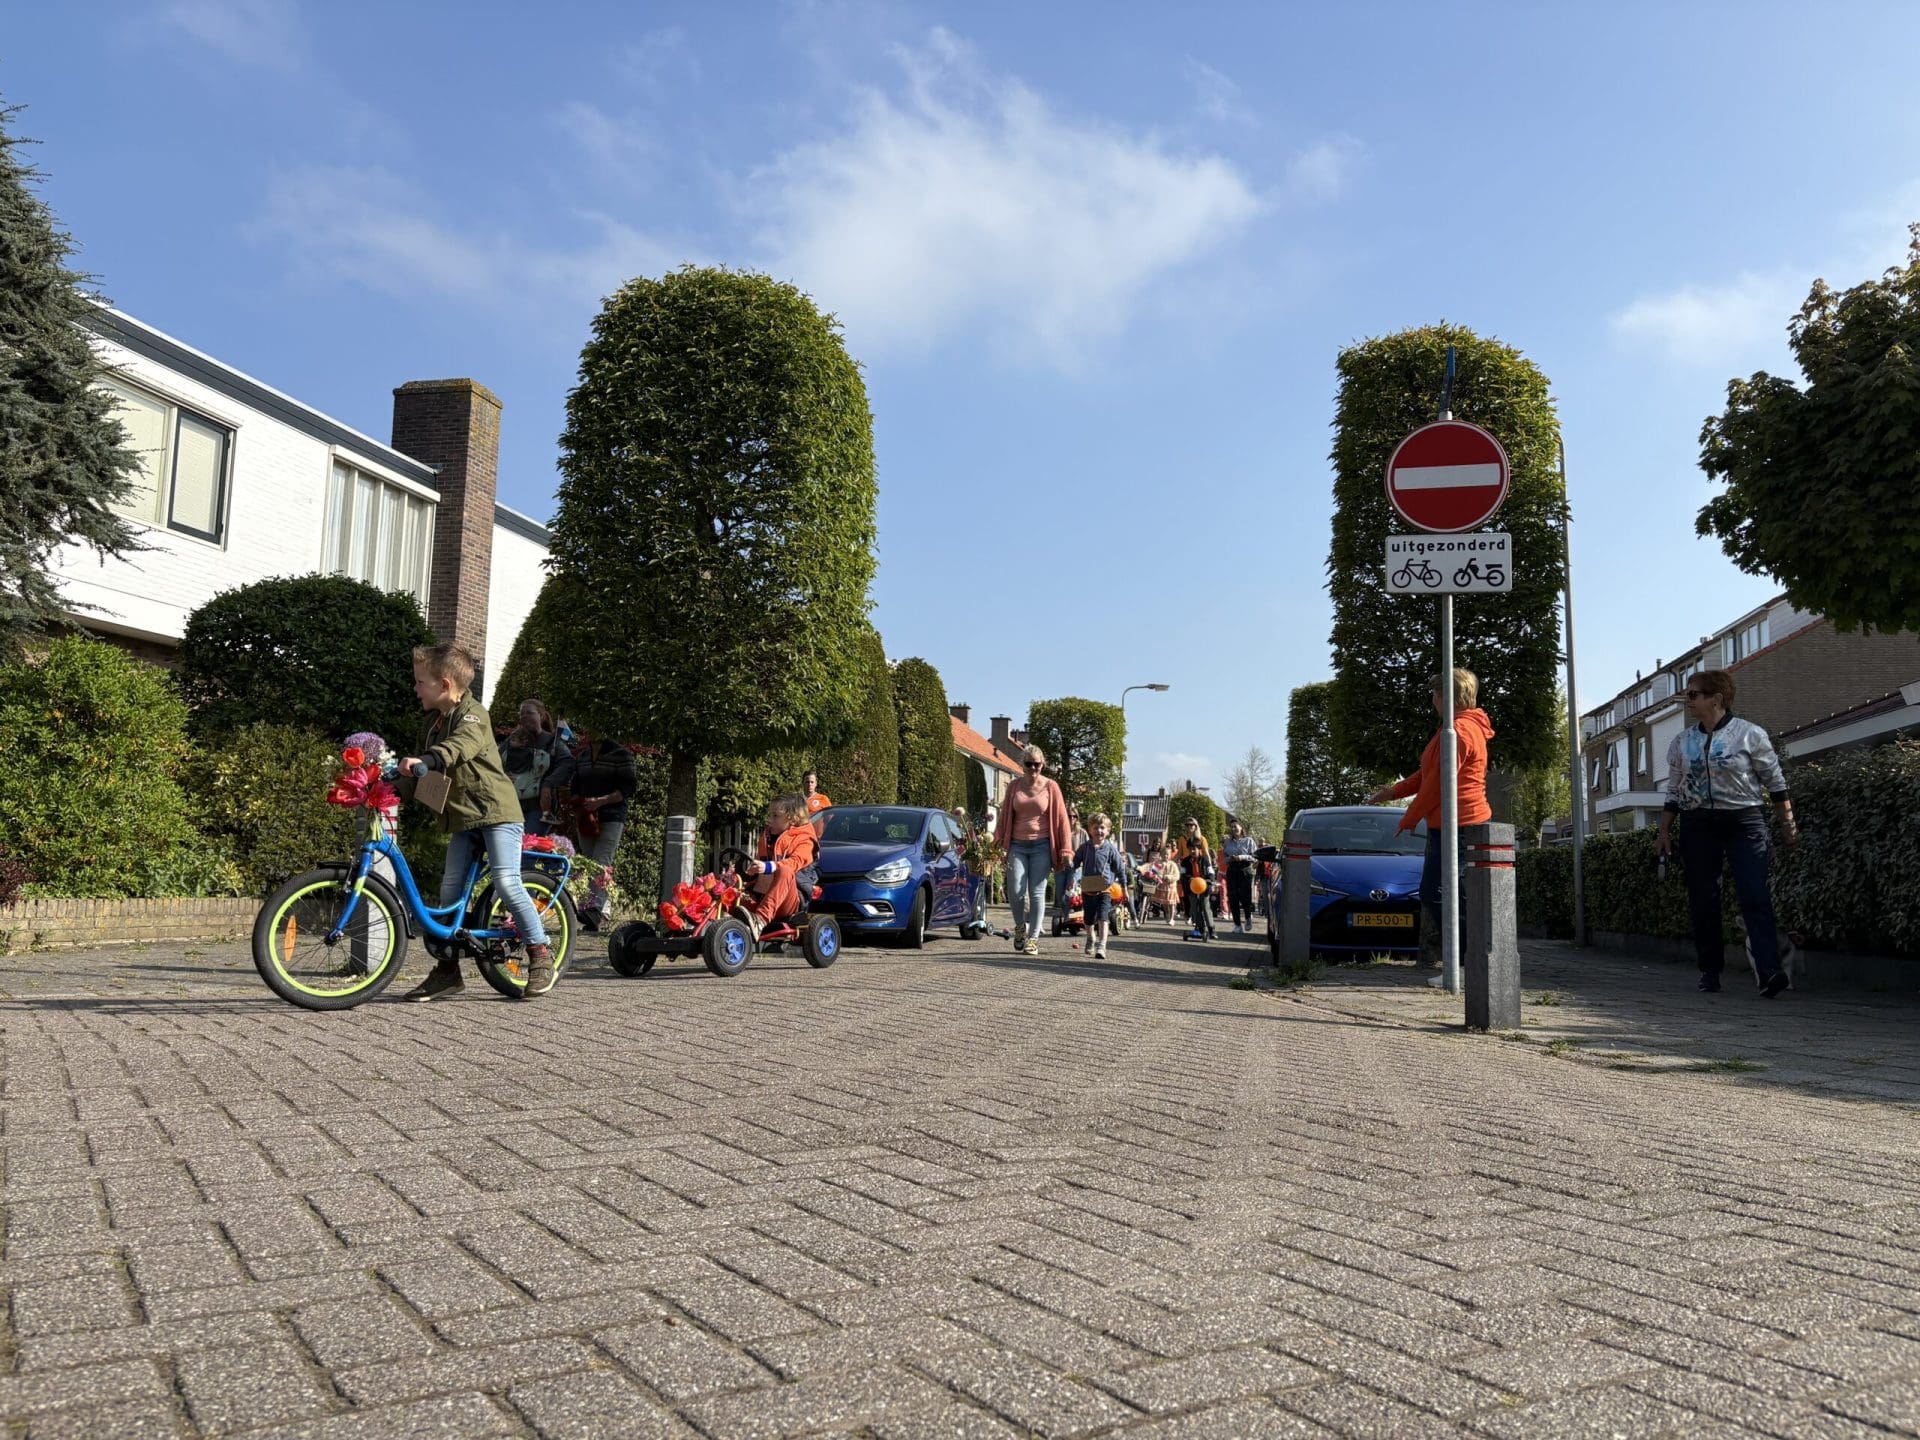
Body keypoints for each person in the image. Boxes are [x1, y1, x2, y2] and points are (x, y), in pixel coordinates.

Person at [398, 644, 556, 1000]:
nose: (415, 688)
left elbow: (460, 746)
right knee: (449, 893)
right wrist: (386, 788)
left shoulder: (473, 715)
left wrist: (430, 759)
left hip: (496, 813)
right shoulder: (432, 724)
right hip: (463, 819)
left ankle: (540, 951)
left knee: (506, 882)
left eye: (420, 682)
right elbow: (418, 774)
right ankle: (448, 971)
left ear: (444, 684)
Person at [1655, 670, 1796, 996]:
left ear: (1716, 699)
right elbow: (1673, 791)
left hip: (1744, 820)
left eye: (1693, 695)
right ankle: (1709, 971)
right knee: (1704, 900)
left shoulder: (1750, 735)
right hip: (1697, 823)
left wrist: (1788, 824)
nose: (1688, 701)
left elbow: (1776, 784)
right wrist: (1664, 831)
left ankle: (1770, 971)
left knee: (1755, 895)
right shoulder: (1682, 742)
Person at [1367, 667, 1494, 986]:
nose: (1433, 701)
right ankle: (1464, 965)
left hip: (1459, 825)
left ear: (1450, 697)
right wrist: (1392, 793)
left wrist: (1409, 818)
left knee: (1440, 893)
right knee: (1445, 893)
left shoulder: (1459, 732)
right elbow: (1427, 775)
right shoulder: (1455, 729)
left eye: (1436, 694)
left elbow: (1438, 784)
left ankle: (1467, 966)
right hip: (1452, 824)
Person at [548, 727, 637, 932]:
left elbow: (628, 788)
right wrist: (575, 801)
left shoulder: (621, 755)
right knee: (589, 863)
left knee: (601, 862)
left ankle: (594, 910)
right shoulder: (583, 757)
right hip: (586, 817)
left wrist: (601, 801)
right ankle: (599, 911)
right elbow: (575, 786)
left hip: (612, 816)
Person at [993, 746, 1072, 956]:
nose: (1033, 768)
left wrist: (1066, 850)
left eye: (1037, 764)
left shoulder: (1051, 787)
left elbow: (1063, 820)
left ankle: (1033, 939)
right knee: (1015, 890)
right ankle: (1020, 927)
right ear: (1023, 765)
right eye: (1029, 764)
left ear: (1042, 764)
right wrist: (994, 844)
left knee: (1037, 892)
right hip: (1017, 846)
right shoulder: (1014, 787)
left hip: (1042, 846)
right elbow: (1004, 817)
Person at [737, 793, 820, 937]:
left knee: (785, 870)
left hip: (792, 901)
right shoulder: (767, 837)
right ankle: (716, 922)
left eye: (775, 816)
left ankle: (760, 920)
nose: (770, 820)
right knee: (732, 887)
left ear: (793, 819)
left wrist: (769, 867)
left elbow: (794, 863)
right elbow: (759, 866)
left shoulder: (806, 840)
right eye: (770, 815)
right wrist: (748, 874)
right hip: (763, 895)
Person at [499, 699, 568, 837]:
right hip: (510, 806)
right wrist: (502, 775)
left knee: (527, 845)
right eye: (522, 714)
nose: (524, 716)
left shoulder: (552, 743)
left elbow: (568, 763)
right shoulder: (511, 741)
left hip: (539, 808)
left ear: (541, 716)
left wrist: (548, 784)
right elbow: (494, 761)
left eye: (529, 713)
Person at [1073, 813, 1128, 960]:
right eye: (1096, 827)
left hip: (1105, 889)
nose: (1099, 831)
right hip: (1088, 889)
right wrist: (1069, 873)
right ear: (1090, 830)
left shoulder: (1110, 849)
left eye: (1102, 828)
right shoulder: (1084, 848)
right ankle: (1090, 937)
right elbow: (1075, 863)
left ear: (1108, 830)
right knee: (1089, 919)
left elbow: (1120, 869)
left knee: (1103, 917)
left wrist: (1124, 888)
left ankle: (1102, 945)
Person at [1177, 819, 1216, 941]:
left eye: (1195, 849)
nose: (1192, 851)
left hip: (1204, 887)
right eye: (1190, 849)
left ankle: (1211, 929)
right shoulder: (1185, 862)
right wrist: (1190, 879)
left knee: (1205, 906)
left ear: (1200, 849)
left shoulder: (1205, 860)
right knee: (1194, 907)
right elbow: (1183, 874)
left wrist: (1209, 880)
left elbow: (1211, 872)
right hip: (1191, 887)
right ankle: (1200, 928)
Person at [1055, 807, 1088, 933]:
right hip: (1061, 867)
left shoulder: (1082, 833)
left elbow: (1087, 849)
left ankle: (1071, 916)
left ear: (1077, 818)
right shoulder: (1059, 831)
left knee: (1069, 893)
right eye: (1069, 816)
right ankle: (1067, 916)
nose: (1071, 818)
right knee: (1060, 895)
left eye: (1074, 816)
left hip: (1075, 867)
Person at [1221, 820, 1257, 933]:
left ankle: (1248, 917)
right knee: (1233, 897)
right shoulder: (1227, 842)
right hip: (1232, 869)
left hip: (1245, 869)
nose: (1233, 829)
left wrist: (1241, 857)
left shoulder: (1249, 841)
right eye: (1231, 827)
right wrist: (1230, 858)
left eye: (1235, 826)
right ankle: (1237, 924)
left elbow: (1255, 856)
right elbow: (1224, 859)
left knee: (1245, 896)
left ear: (1241, 827)